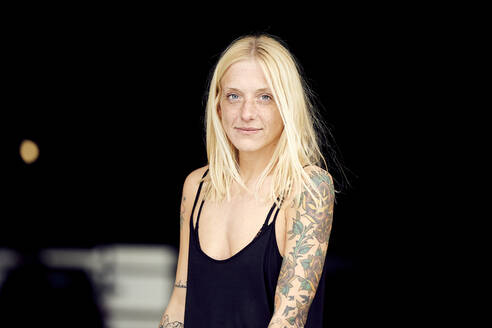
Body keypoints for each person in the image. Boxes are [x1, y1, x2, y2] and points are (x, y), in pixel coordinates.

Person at [159, 33, 338, 328]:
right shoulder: (197, 186)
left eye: (265, 97)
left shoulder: (308, 188)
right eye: (234, 96)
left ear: (287, 106)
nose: (246, 113)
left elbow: (288, 320)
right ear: (218, 105)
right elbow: (179, 302)